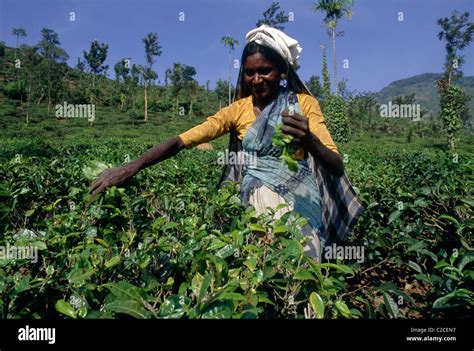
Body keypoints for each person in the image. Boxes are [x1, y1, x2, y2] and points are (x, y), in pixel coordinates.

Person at [90, 25, 363, 261]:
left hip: (302, 201)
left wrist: (310, 141)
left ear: (281, 70)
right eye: (249, 73)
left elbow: (336, 166)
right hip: (256, 201)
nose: (257, 80)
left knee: (303, 268)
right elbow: (181, 141)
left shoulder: (304, 104)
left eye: (265, 70)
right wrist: (131, 167)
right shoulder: (238, 110)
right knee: (265, 269)